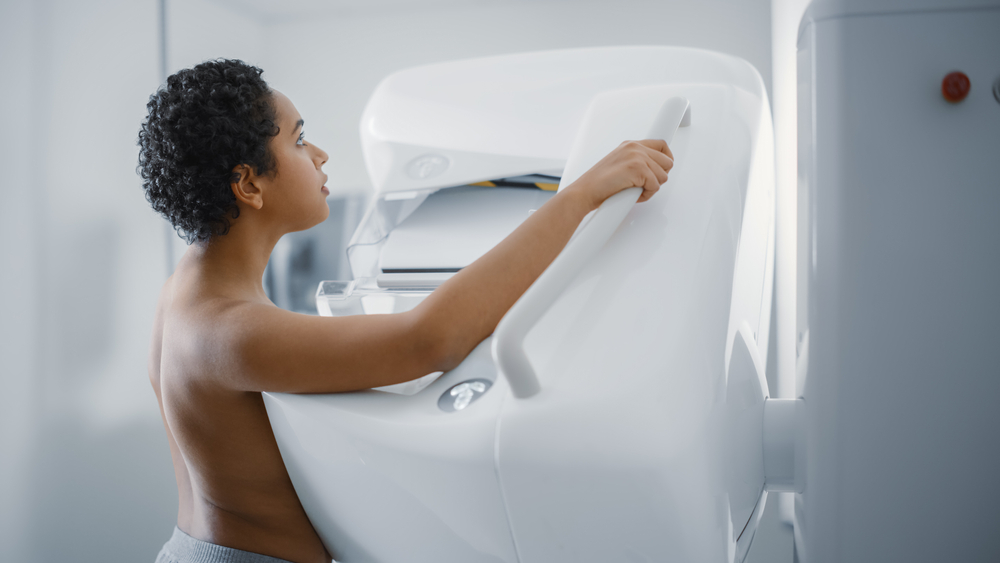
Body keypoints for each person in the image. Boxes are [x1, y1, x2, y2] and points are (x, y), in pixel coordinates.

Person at [138, 59, 673, 563]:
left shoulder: (185, 294)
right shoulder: (226, 330)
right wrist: (579, 197)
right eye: (299, 140)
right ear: (249, 183)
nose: (321, 154)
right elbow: (429, 339)